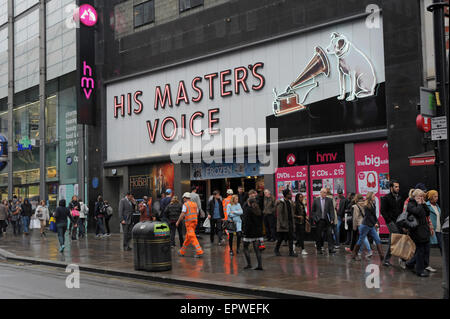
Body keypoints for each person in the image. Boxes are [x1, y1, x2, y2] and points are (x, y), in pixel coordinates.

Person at [405, 189, 432, 277]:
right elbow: (417, 212)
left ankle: (409, 263)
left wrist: (423, 204)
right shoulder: (410, 204)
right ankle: (419, 270)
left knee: (424, 249)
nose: (421, 198)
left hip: (424, 230)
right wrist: (420, 204)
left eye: (422, 196)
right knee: (420, 250)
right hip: (416, 231)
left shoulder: (421, 204)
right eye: (419, 196)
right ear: (414, 197)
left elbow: (427, 213)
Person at [351, 192, 383, 261]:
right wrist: (375, 223)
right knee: (361, 239)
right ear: (370, 197)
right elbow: (368, 217)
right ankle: (354, 254)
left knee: (377, 239)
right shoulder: (366, 206)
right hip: (365, 225)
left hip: (370, 226)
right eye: (373, 196)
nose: (375, 197)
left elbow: (374, 215)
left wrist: (377, 222)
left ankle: (382, 257)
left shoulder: (373, 204)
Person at [380, 180, 404, 267]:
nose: (398, 188)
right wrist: (389, 220)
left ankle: (386, 260)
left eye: (398, 187)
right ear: (391, 188)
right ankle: (402, 258)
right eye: (396, 187)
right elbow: (382, 211)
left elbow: (401, 210)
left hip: (399, 222)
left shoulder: (400, 198)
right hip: (390, 222)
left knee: (392, 240)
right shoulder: (386, 198)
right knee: (397, 237)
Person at [176, 192, 204, 257]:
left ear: (185, 198)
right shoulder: (195, 204)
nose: (183, 200)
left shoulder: (185, 205)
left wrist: (178, 221)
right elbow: (197, 213)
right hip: (194, 223)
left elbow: (182, 214)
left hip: (189, 223)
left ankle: (199, 251)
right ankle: (182, 251)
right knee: (188, 238)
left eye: (183, 198)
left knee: (192, 237)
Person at [311, 188, 336, 254]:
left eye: (326, 193)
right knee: (319, 235)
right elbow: (313, 211)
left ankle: (331, 248)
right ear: (321, 193)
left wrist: (332, 219)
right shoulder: (316, 200)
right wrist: (315, 219)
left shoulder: (329, 200)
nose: (325, 194)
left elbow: (331, 210)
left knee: (329, 234)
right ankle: (319, 249)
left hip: (327, 220)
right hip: (319, 220)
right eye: (324, 192)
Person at [242, 198, 264, 270]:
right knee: (257, 249)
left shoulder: (248, 210)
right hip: (258, 233)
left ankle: (249, 264)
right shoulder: (258, 210)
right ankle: (260, 265)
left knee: (245, 247)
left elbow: (246, 222)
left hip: (249, 232)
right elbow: (261, 222)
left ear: (249, 203)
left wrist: (244, 231)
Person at [274, 189, 297, 257]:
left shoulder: (290, 202)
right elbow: (279, 214)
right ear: (286, 195)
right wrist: (282, 224)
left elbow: (292, 211)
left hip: (289, 223)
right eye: (290, 194)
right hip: (283, 224)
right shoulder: (281, 203)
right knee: (280, 238)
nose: (291, 195)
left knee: (290, 238)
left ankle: (291, 252)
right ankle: (276, 250)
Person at [426, 190, 442, 256]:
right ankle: (412, 262)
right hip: (431, 229)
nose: (437, 198)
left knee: (442, 246)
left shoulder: (437, 206)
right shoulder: (427, 206)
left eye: (437, 196)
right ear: (431, 197)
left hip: (438, 229)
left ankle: (446, 262)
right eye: (435, 196)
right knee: (426, 248)